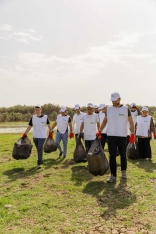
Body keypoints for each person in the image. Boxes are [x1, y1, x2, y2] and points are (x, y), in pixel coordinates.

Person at [98, 92, 135, 183]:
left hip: (122, 136)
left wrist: (133, 134)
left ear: (120, 99)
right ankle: (113, 175)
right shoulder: (109, 109)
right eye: (112, 100)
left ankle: (123, 172)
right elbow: (104, 121)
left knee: (123, 155)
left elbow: (131, 122)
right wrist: (99, 131)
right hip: (111, 136)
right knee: (112, 156)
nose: (114, 102)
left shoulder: (126, 109)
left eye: (115, 100)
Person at [22, 105, 52, 169]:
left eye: (39, 110)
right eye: (36, 110)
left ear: (41, 110)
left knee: (39, 147)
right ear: (35, 111)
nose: (37, 111)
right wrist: (25, 134)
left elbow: (49, 125)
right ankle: (41, 160)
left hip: (43, 135)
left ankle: (39, 163)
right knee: (39, 149)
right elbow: (29, 126)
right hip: (35, 135)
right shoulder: (33, 117)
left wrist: (50, 132)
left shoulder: (45, 117)